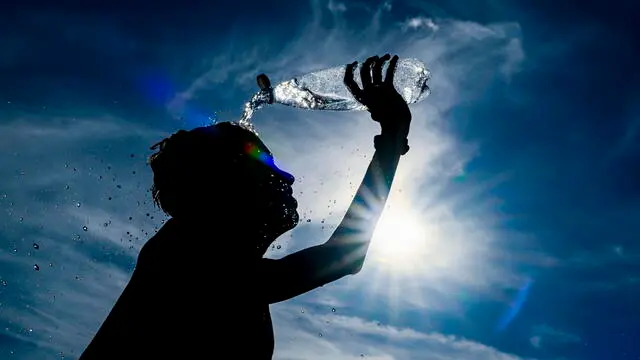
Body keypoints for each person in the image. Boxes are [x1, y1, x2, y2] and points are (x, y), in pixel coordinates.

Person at [78, 54, 412, 359]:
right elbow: (343, 257)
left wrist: (392, 139)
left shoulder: (208, 263)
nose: (289, 177)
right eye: (267, 165)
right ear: (226, 184)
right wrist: (391, 139)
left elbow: (343, 258)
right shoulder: (181, 255)